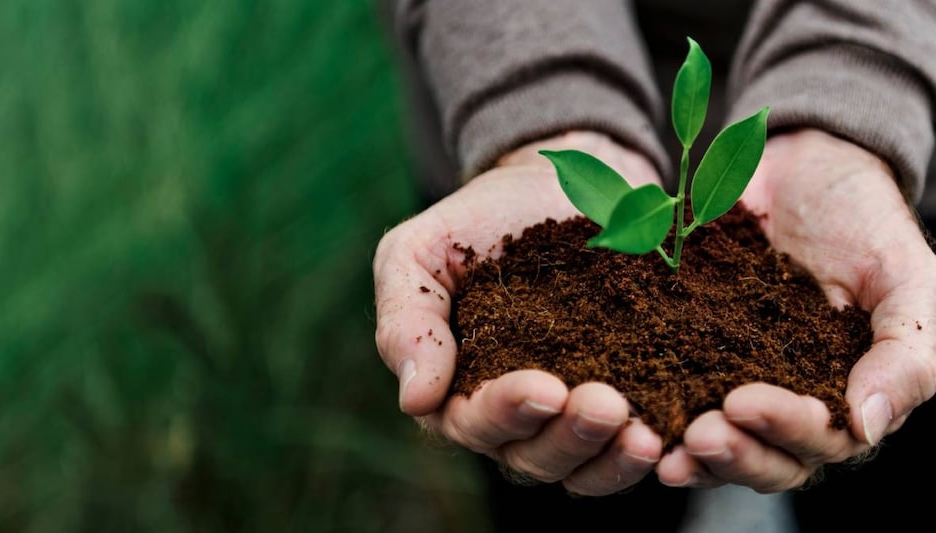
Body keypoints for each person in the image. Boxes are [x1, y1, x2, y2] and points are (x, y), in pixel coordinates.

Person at [373, 1, 936, 531]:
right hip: (492, 96)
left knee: (867, 462)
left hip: (896, 106)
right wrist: (542, 99)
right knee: (568, 475)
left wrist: (851, 100)